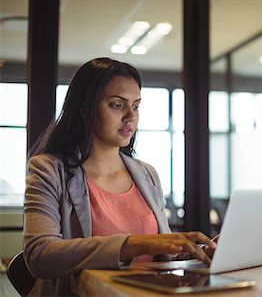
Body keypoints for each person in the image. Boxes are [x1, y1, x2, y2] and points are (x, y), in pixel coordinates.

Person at [23, 57, 216, 296]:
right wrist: (133, 244)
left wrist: (197, 253)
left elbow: (162, 254)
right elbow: (40, 255)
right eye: (117, 105)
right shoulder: (49, 170)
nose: (130, 116)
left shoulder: (147, 174)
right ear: (84, 108)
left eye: (135, 106)